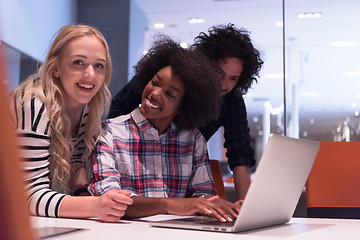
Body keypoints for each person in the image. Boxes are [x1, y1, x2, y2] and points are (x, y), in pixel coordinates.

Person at [89, 37, 241, 222]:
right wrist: (169, 204)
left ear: (183, 107)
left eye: (169, 94)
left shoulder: (193, 140)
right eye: (154, 82)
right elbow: (110, 202)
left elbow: (202, 192)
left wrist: (214, 203)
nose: (154, 93)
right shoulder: (109, 133)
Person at [108, 24, 264, 200]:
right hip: (140, 167)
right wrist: (119, 147)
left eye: (233, 79)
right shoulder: (171, 77)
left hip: (187, 176)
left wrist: (246, 208)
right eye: (219, 73)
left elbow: (240, 155)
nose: (223, 84)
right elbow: (120, 105)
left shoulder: (228, 104)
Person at [9, 24, 133, 222]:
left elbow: (75, 160)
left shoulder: (85, 106)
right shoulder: (34, 105)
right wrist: (95, 205)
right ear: (56, 68)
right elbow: (28, 196)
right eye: (78, 62)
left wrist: (82, 193)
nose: (90, 74)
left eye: (99, 65)